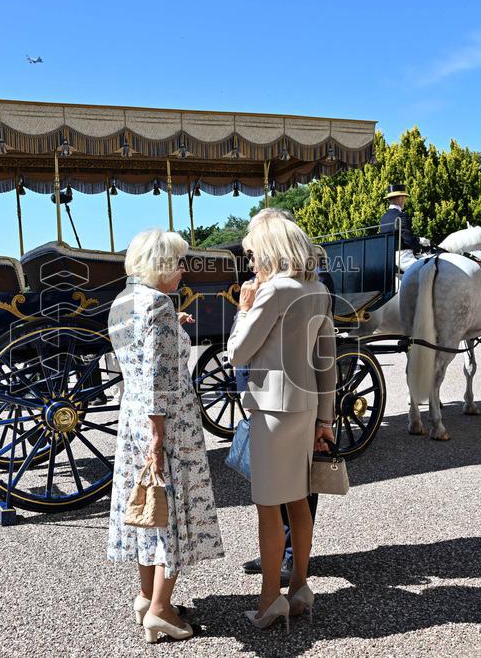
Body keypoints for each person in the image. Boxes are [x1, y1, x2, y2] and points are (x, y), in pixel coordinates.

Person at [107, 228, 223, 644]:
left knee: (148, 509)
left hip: (133, 415)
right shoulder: (157, 305)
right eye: (177, 262)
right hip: (167, 421)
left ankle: (146, 597)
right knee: (171, 513)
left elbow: (136, 356)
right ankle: (160, 610)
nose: (182, 269)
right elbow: (159, 374)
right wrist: (159, 437)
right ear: (159, 264)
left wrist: (177, 327)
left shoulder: (124, 301)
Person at [226, 210, 337, 631]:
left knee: (269, 509)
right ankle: (300, 588)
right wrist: (325, 419)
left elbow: (238, 352)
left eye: (253, 254)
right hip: (306, 407)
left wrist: (244, 306)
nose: (250, 263)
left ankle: (270, 599)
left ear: (271, 249)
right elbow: (327, 361)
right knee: (297, 501)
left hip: (271, 410)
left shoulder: (272, 292)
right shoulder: (319, 291)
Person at [379, 184, 426, 272]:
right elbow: (408, 238)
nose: (404, 200)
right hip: (403, 257)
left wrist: (418, 240)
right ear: (400, 198)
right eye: (404, 198)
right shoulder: (401, 216)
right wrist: (419, 248)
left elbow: (397, 235)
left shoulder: (384, 217)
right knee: (427, 269)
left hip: (388, 257)